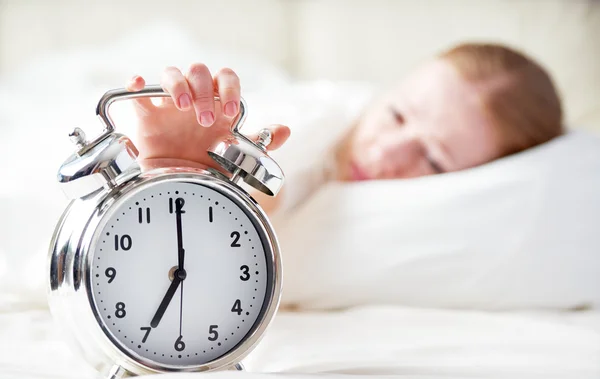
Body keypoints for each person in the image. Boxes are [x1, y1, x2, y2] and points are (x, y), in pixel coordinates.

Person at [126, 43, 563, 215]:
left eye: (433, 159)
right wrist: (189, 174)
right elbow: (280, 184)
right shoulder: (317, 120)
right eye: (397, 115)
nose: (386, 155)